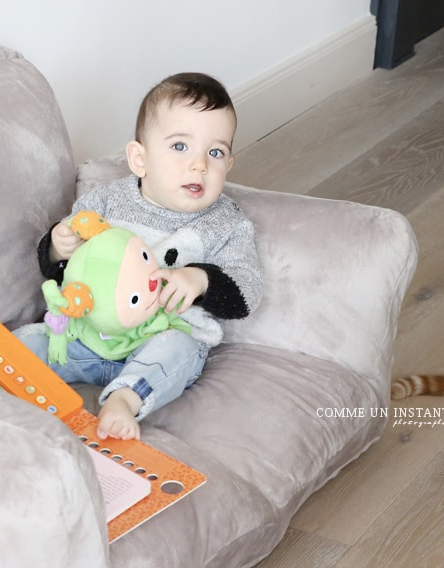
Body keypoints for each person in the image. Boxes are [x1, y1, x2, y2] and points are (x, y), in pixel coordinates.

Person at [15, 73, 262, 440]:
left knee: (179, 350)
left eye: (216, 152)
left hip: (159, 340)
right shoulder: (105, 201)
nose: (199, 165)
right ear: (139, 158)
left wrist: (201, 280)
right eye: (180, 146)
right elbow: (67, 270)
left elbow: (248, 291)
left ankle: (125, 399)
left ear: (229, 163)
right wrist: (57, 246)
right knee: (28, 342)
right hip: (85, 336)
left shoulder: (226, 222)